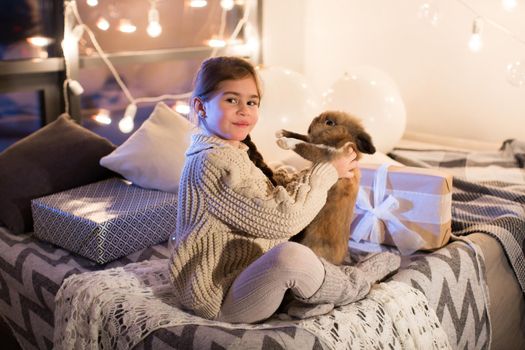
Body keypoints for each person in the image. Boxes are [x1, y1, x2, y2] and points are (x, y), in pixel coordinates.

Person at [168, 56, 400, 324]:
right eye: (231, 100)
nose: (244, 110)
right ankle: (355, 284)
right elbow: (283, 219)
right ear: (201, 106)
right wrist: (325, 173)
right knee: (291, 256)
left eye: (252, 102)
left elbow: (265, 193)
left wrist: (310, 175)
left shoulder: (228, 152)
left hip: (245, 274)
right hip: (223, 296)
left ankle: (306, 299)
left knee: (296, 252)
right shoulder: (210, 162)